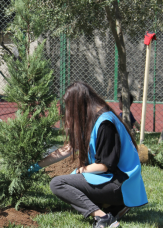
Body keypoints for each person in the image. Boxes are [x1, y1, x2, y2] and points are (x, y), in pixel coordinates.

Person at [28, 81, 148, 228]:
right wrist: (36, 166)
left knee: (58, 184)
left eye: (70, 108)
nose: (69, 112)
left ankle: (104, 217)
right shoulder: (94, 118)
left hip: (121, 183)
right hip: (113, 180)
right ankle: (113, 207)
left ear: (78, 104)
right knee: (73, 183)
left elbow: (104, 166)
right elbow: (69, 148)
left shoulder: (105, 124)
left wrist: (81, 170)